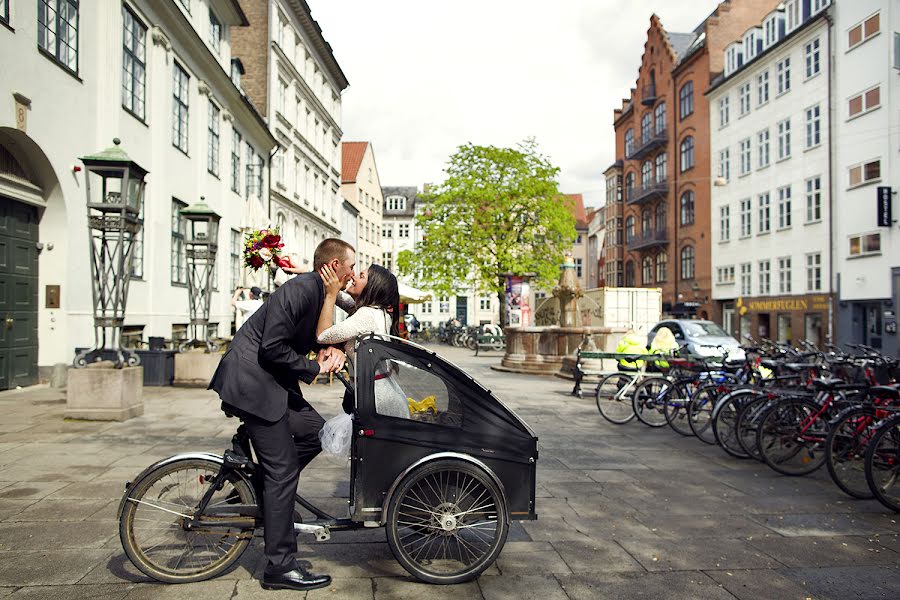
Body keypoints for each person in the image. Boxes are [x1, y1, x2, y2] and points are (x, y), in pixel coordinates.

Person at [208, 238, 356, 592]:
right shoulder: (299, 290)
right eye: (350, 267)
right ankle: (280, 567)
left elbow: (340, 318)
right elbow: (272, 347)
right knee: (283, 471)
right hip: (253, 383)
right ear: (334, 266)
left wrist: (333, 349)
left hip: (272, 383)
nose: (353, 274)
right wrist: (312, 367)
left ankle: (257, 486)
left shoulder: (322, 292)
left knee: (315, 431)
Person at [315, 263, 407, 418]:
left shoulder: (366, 315)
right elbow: (343, 299)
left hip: (377, 402)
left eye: (361, 276)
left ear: (372, 287)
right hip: (380, 395)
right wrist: (313, 273)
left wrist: (330, 295)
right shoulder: (378, 311)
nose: (353, 276)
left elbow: (322, 335)